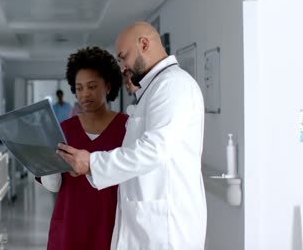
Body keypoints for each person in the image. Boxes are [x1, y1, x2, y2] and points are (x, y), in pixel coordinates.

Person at [57, 21, 207, 249]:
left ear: (144, 44)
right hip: (148, 222)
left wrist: (92, 163)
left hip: (166, 227)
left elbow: (154, 149)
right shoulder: (155, 88)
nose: (122, 66)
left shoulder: (172, 85)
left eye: (123, 57)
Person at [38, 46, 127, 250]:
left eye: (92, 86)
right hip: (70, 225)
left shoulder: (127, 127)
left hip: (111, 224)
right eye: (79, 88)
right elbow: (52, 184)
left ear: (108, 86)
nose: (85, 94)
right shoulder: (64, 130)